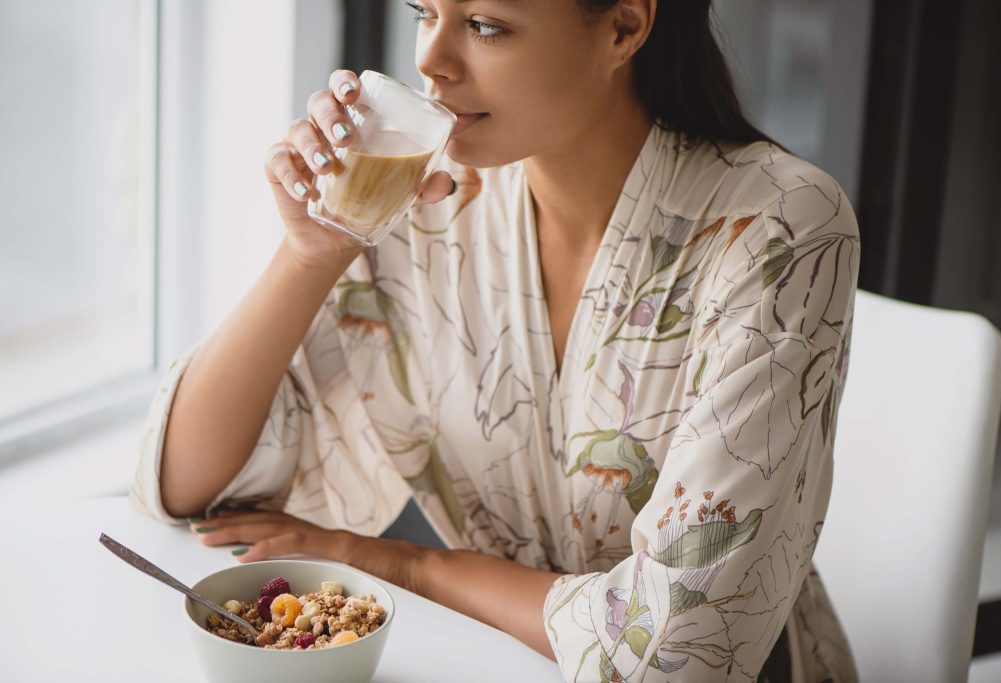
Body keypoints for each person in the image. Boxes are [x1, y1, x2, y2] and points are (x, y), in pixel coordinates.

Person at [131, 0, 861, 680]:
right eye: (426, 11)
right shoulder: (426, 202)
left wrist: (403, 568)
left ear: (623, 27)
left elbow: (670, 653)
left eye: (484, 25)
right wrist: (311, 254)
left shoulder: (781, 228)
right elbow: (187, 490)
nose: (431, 61)